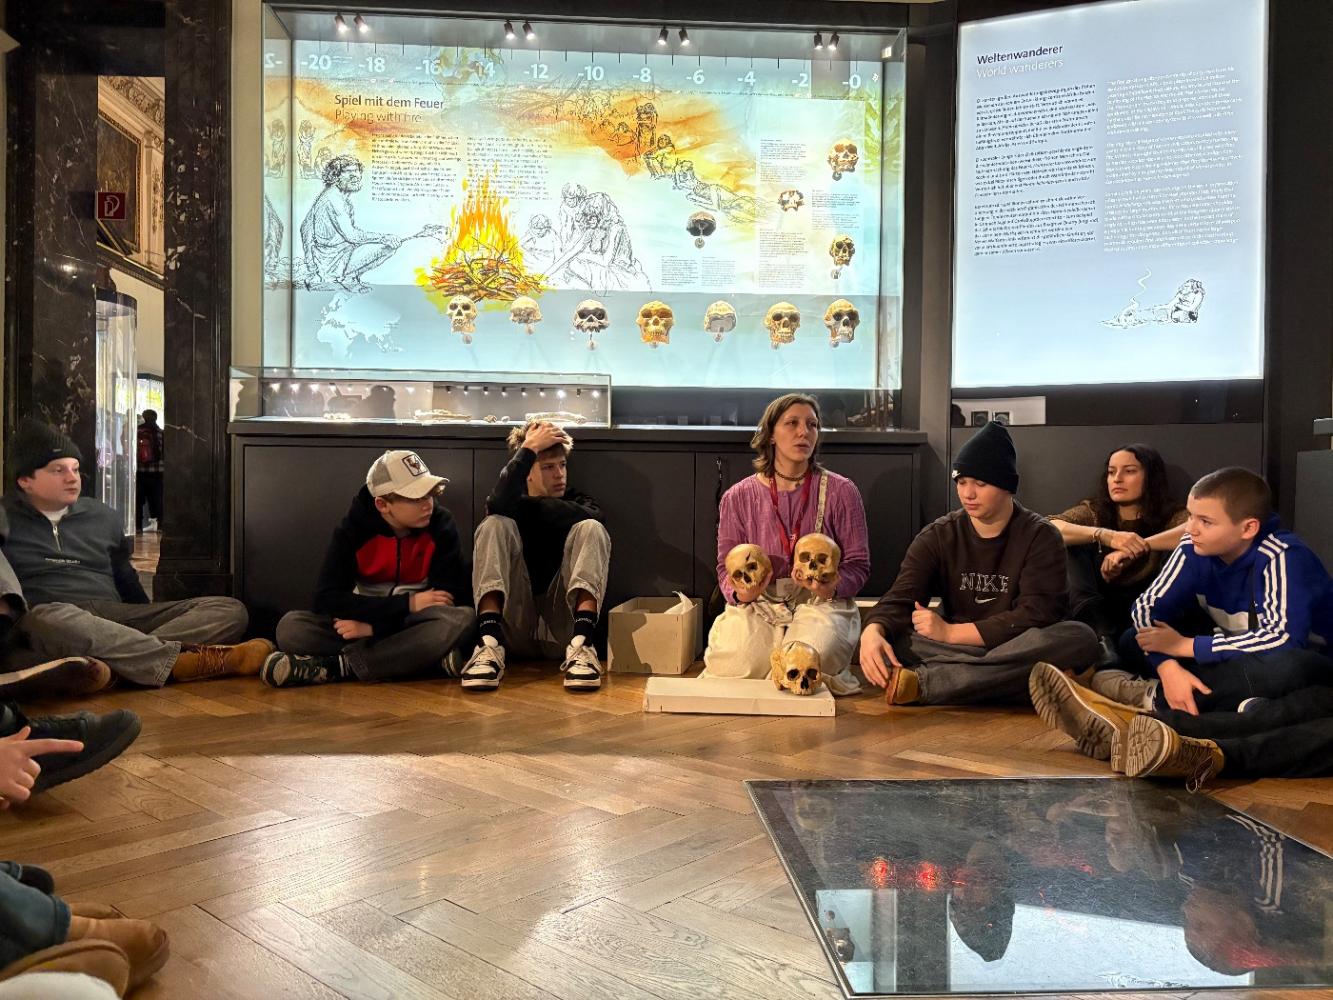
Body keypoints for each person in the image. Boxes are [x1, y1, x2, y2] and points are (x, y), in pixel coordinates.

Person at [2, 421, 272, 686]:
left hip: (113, 616)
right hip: (51, 622)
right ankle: (173, 663)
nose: (72, 478)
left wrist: (143, 615)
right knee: (47, 618)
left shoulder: (102, 516)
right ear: (25, 480)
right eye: (58, 470)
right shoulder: (4, 518)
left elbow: (126, 579)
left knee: (228, 609)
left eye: (75, 469)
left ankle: (115, 668)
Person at [860, 421, 1099, 705]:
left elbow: (1037, 614)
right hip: (973, 650)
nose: (968, 494)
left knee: (1079, 638)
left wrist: (950, 633)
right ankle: (1021, 681)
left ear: (1007, 487)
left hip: (1016, 641)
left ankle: (931, 682)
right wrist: (873, 631)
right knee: (898, 641)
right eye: (961, 482)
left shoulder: (1041, 536)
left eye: (980, 484)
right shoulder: (938, 535)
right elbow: (901, 597)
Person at [1093, 467, 1333, 715]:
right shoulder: (1193, 546)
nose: (1190, 529)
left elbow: (1283, 639)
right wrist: (1167, 666)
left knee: (1289, 668)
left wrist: (1188, 646)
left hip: (1306, 659)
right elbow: (1147, 607)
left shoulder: (1282, 555)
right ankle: (1204, 693)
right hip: (1233, 650)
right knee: (1133, 638)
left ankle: (1158, 699)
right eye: (1190, 516)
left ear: (1248, 528)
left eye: (1205, 522)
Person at [701, 393, 869, 696]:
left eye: (812, 425)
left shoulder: (842, 492)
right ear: (771, 434)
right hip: (759, 603)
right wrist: (742, 592)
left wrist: (830, 587)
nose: (804, 432)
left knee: (812, 656)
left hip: (820, 603)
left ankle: (790, 661)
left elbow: (858, 565)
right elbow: (725, 569)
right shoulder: (737, 497)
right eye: (792, 423)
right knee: (735, 662)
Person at [263, 450, 475, 687]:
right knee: (291, 628)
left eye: (430, 494)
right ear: (382, 504)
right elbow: (327, 599)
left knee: (462, 619)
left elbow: (444, 600)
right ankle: (422, 661)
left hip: (411, 625)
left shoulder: (442, 525)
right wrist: (407, 604)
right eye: (416, 498)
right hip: (368, 624)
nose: (428, 505)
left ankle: (340, 667)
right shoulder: (352, 530)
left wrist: (374, 629)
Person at [461, 421, 610, 691]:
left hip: (561, 628)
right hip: (514, 626)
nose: (559, 475)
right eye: (548, 467)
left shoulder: (576, 501)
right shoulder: (509, 502)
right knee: (494, 524)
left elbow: (596, 516)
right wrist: (529, 446)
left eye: (562, 465)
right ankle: (488, 644)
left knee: (591, 528)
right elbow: (498, 505)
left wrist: (526, 508)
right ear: (526, 471)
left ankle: (583, 644)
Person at [1048, 444, 1186, 658]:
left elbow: (1195, 530)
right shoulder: (1096, 511)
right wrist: (1104, 535)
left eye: (1129, 471)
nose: (1117, 479)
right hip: (1097, 610)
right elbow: (1049, 527)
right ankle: (1103, 641)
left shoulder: (1171, 515)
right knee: (1068, 548)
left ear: (1151, 477)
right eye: (1111, 472)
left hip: (1148, 610)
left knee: (1184, 549)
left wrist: (1139, 546)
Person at [134, 409, 164, 535]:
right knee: (157, 500)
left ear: (144, 418)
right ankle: (160, 525)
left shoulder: (137, 432)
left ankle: (138, 526)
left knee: (138, 501)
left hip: (140, 471)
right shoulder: (161, 433)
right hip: (157, 472)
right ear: (155, 418)